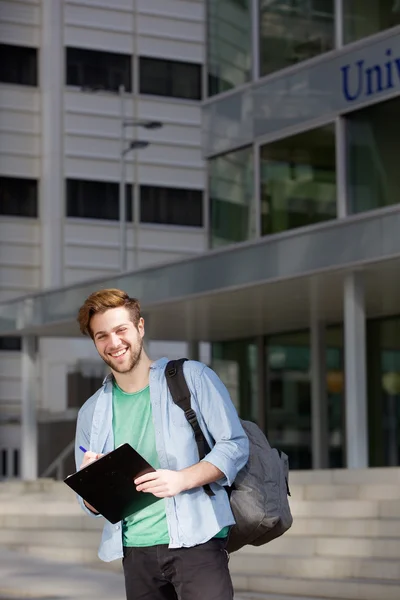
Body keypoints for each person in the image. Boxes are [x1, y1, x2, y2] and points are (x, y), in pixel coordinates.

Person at [74, 288, 249, 600]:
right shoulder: (91, 412)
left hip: (197, 541)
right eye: (101, 336)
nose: (113, 343)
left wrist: (182, 479)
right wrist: (91, 489)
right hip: (135, 550)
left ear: (140, 327)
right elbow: (90, 506)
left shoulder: (191, 377)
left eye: (120, 330)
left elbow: (234, 445)